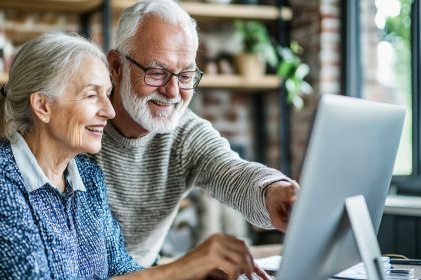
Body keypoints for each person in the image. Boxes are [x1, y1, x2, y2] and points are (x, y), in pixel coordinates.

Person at [0, 32, 270, 280]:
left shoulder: (86, 176)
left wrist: (193, 275)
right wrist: (180, 267)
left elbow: (122, 270)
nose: (109, 110)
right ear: (42, 105)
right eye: (91, 95)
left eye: (107, 94)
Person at [85, 0, 300, 268]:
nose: (173, 92)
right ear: (116, 67)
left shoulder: (186, 133)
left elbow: (232, 171)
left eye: (185, 75)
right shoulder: (78, 127)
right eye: (156, 72)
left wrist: (272, 191)